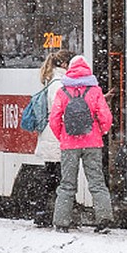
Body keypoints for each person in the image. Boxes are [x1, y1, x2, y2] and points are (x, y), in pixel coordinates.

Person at [47, 54, 114, 233]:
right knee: (97, 182)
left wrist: (62, 136)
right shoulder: (95, 90)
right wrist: (101, 132)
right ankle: (104, 219)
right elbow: (106, 117)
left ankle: (61, 222)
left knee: (67, 183)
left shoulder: (62, 91)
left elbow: (53, 119)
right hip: (93, 142)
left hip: (69, 144)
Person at [31, 49, 73, 227]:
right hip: (55, 136)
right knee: (57, 178)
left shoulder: (53, 80)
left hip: (50, 135)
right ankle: (49, 214)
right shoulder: (59, 83)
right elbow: (60, 112)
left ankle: (43, 213)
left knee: (51, 176)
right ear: (64, 64)